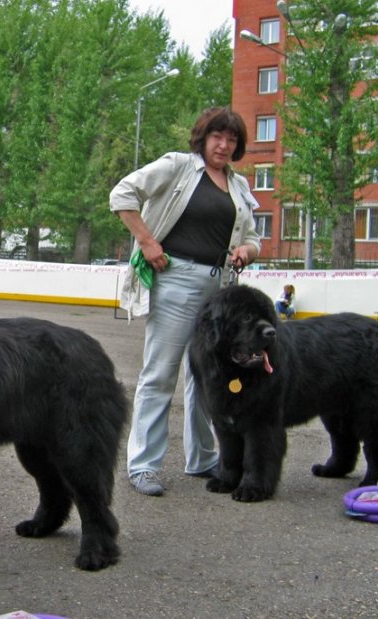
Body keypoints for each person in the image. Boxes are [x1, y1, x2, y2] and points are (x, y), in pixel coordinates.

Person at [109, 106, 261, 497]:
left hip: (219, 290)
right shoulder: (178, 167)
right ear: (203, 138)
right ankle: (143, 465)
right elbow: (122, 194)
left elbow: (254, 239)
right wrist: (146, 240)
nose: (224, 145)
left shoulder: (239, 186)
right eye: (217, 136)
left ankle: (202, 458)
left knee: (207, 377)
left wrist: (246, 249)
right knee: (160, 374)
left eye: (231, 139)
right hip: (175, 280)